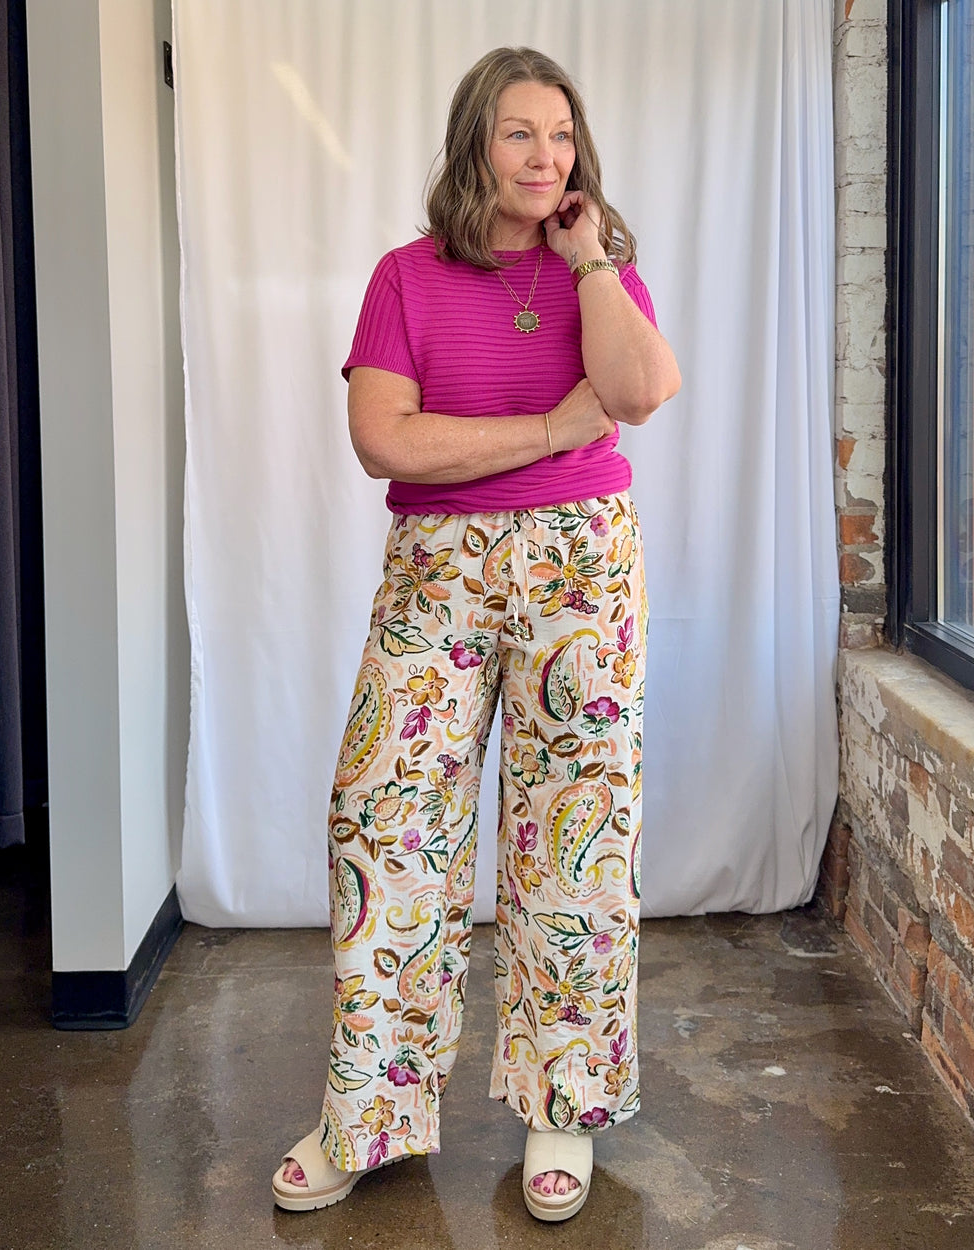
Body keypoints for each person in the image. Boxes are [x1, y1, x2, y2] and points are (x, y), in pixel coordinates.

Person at [272, 45, 680, 1223]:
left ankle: (565, 1105)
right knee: (383, 815)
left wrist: (591, 262)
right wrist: (550, 427)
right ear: (473, 144)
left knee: (576, 832)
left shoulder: (601, 268)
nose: (545, 155)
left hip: (580, 568)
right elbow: (385, 441)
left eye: (560, 133)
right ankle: (371, 1105)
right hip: (439, 569)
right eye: (519, 134)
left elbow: (643, 391)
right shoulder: (405, 276)